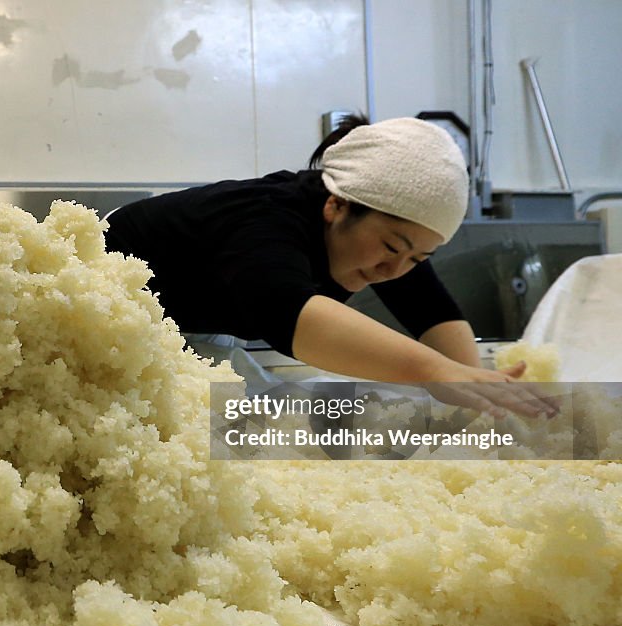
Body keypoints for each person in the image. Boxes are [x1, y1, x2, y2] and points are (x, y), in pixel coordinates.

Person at [104, 115, 556, 418]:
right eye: (392, 247)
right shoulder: (264, 219)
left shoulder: (384, 236)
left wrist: (482, 394)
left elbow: (433, 312)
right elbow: (291, 315)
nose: (395, 269)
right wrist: (437, 374)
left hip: (185, 329)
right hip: (108, 333)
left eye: (418, 258)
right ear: (336, 206)